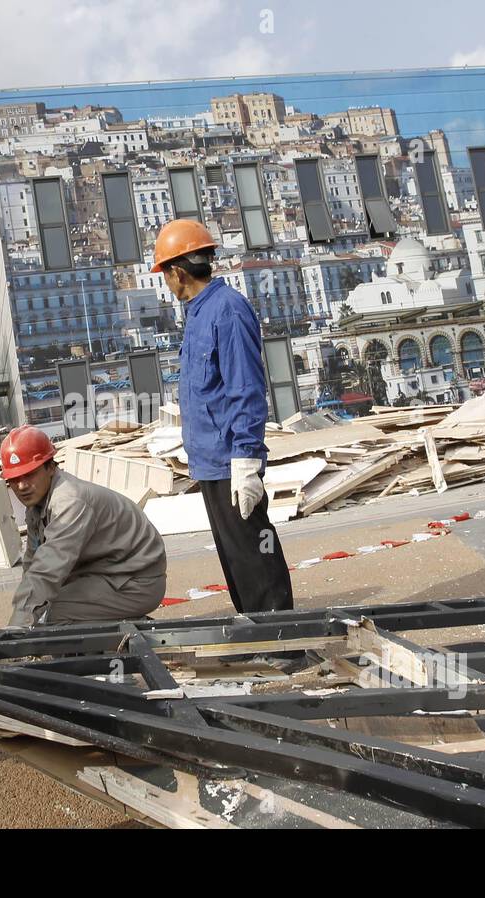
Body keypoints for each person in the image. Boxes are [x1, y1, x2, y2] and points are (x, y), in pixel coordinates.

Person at [153, 219, 293, 615]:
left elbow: (245, 387)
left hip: (232, 459)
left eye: (164, 273)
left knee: (255, 554)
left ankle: (282, 640)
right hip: (211, 462)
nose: (166, 282)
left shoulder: (227, 310)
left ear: (177, 272)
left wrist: (247, 460)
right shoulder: (198, 313)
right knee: (237, 561)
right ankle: (256, 631)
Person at [1, 425, 166, 628]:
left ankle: (113, 646)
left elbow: (48, 566)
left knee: (58, 614)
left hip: (136, 581)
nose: (22, 486)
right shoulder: (37, 504)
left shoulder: (68, 501)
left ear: (51, 467)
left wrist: (19, 624)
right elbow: (34, 563)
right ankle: (115, 626)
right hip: (109, 572)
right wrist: (25, 612)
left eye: (30, 474)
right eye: (14, 479)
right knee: (44, 605)